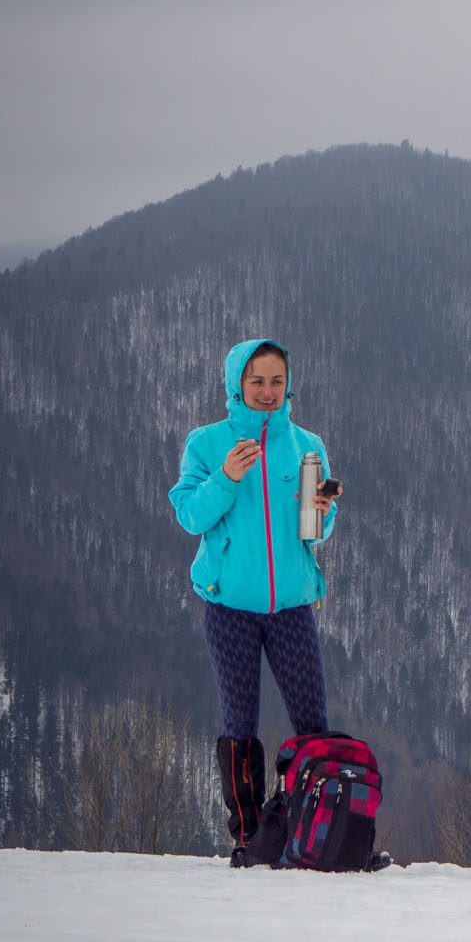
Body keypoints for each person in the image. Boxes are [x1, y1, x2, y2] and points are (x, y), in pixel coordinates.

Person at [170, 339, 340, 867]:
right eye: (256, 382)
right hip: (230, 608)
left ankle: (319, 831)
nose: (267, 392)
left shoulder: (307, 445)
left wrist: (323, 512)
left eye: (276, 382)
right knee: (240, 722)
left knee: (312, 722)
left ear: (289, 384)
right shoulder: (207, 443)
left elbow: (317, 534)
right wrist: (227, 477)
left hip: (291, 605)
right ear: (235, 385)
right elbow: (190, 516)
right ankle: (248, 838)